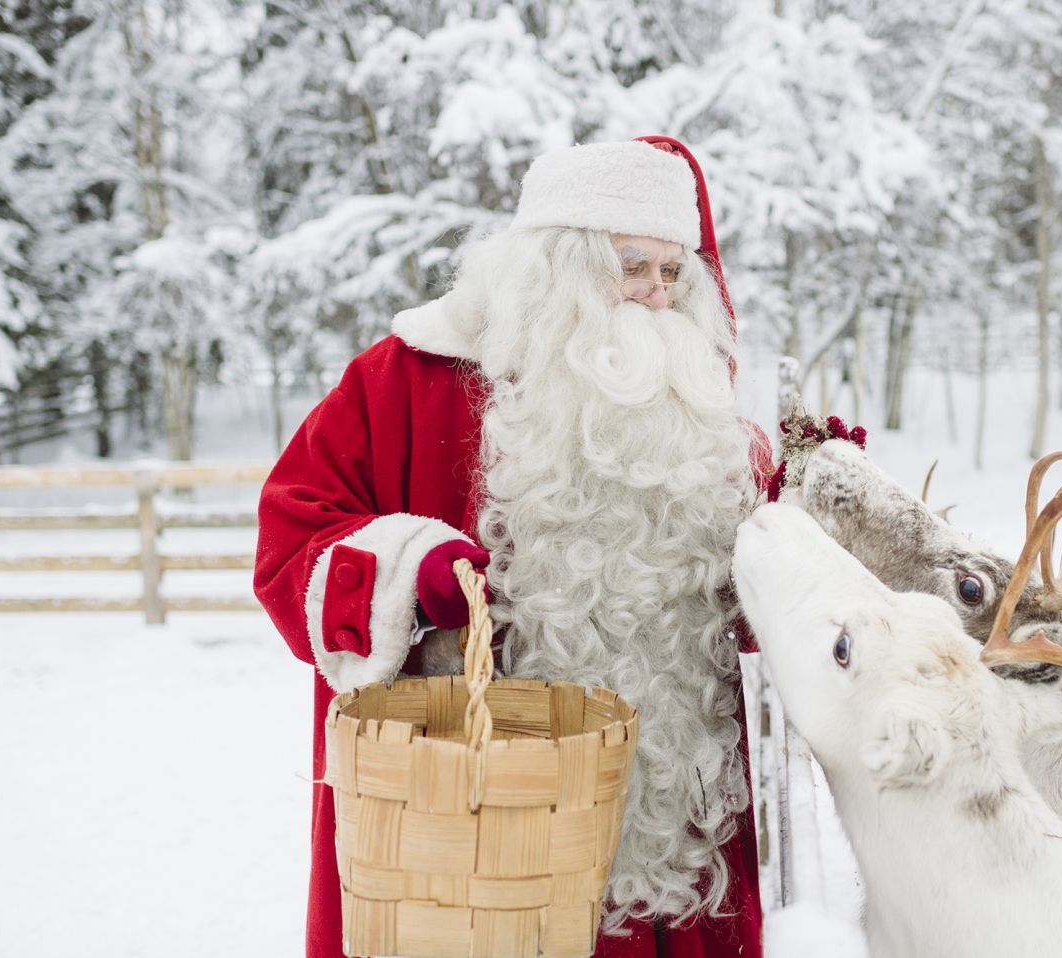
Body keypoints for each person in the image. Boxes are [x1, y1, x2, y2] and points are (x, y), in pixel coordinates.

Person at [254, 135, 772, 958]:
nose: (655, 296)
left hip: (669, 845)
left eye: (674, 275)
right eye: (633, 266)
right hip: (461, 846)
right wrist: (403, 569)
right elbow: (294, 534)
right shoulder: (405, 381)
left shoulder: (699, 411)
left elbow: (755, 586)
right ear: (554, 268)